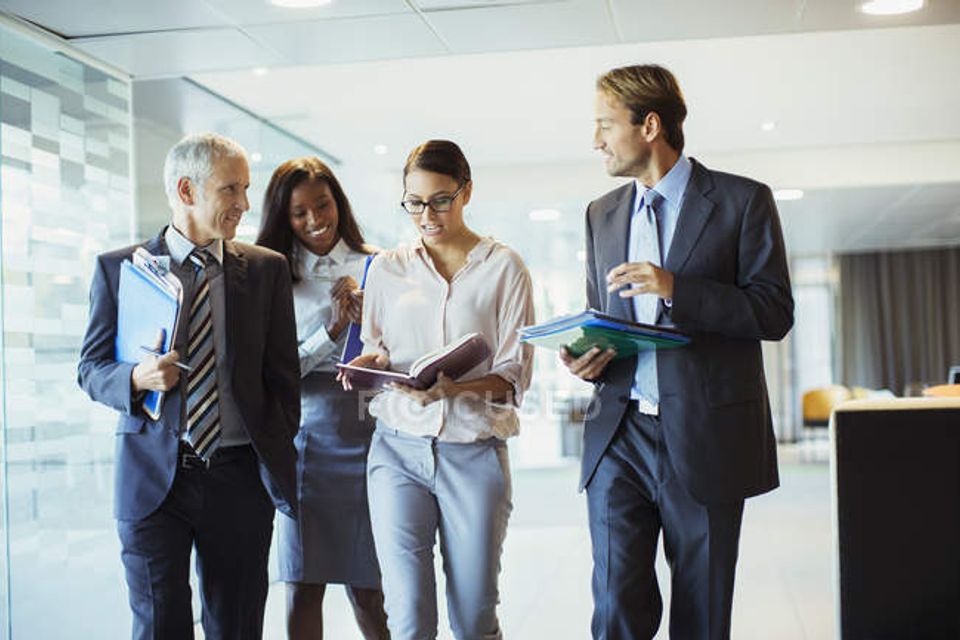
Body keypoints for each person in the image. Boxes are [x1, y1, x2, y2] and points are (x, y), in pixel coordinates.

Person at [562, 64, 794, 640]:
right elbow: (607, 316)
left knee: (703, 607)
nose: (595, 140)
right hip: (620, 434)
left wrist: (676, 289)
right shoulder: (601, 213)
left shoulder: (743, 201)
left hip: (707, 434)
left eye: (603, 124)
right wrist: (588, 356)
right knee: (616, 604)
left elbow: (773, 312)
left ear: (650, 126)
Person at [77, 133, 300, 639]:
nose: (245, 204)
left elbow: (283, 380)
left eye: (246, 189)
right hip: (153, 480)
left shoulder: (266, 270)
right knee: (159, 627)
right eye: (231, 190)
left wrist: (275, 447)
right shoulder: (121, 269)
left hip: (239, 479)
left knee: (238, 627)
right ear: (186, 190)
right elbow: (90, 368)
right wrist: (135, 378)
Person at [339, 140, 535, 640]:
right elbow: (379, 346)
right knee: (407, 620)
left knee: (474, 619)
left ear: (466, 191)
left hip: (473, 454)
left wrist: (454, 389)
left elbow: (514, 374)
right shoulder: (386, 267)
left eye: (440, 200)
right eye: (414, 202)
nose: (426, 214)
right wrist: (369, 363)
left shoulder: (504, 267)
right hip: (396, 453)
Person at [256, 157, 389, 640]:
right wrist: (331, 329)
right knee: (303, 583)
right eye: (299, 212)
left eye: (323, 204)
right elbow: (273, 372)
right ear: (282, 217)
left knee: (370, 587)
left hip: (372, 439)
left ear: (339, 203)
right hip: (305, 444)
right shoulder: (270, 274)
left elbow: (399, 353)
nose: (315, 219)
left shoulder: (379, 264)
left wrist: (366, 327)